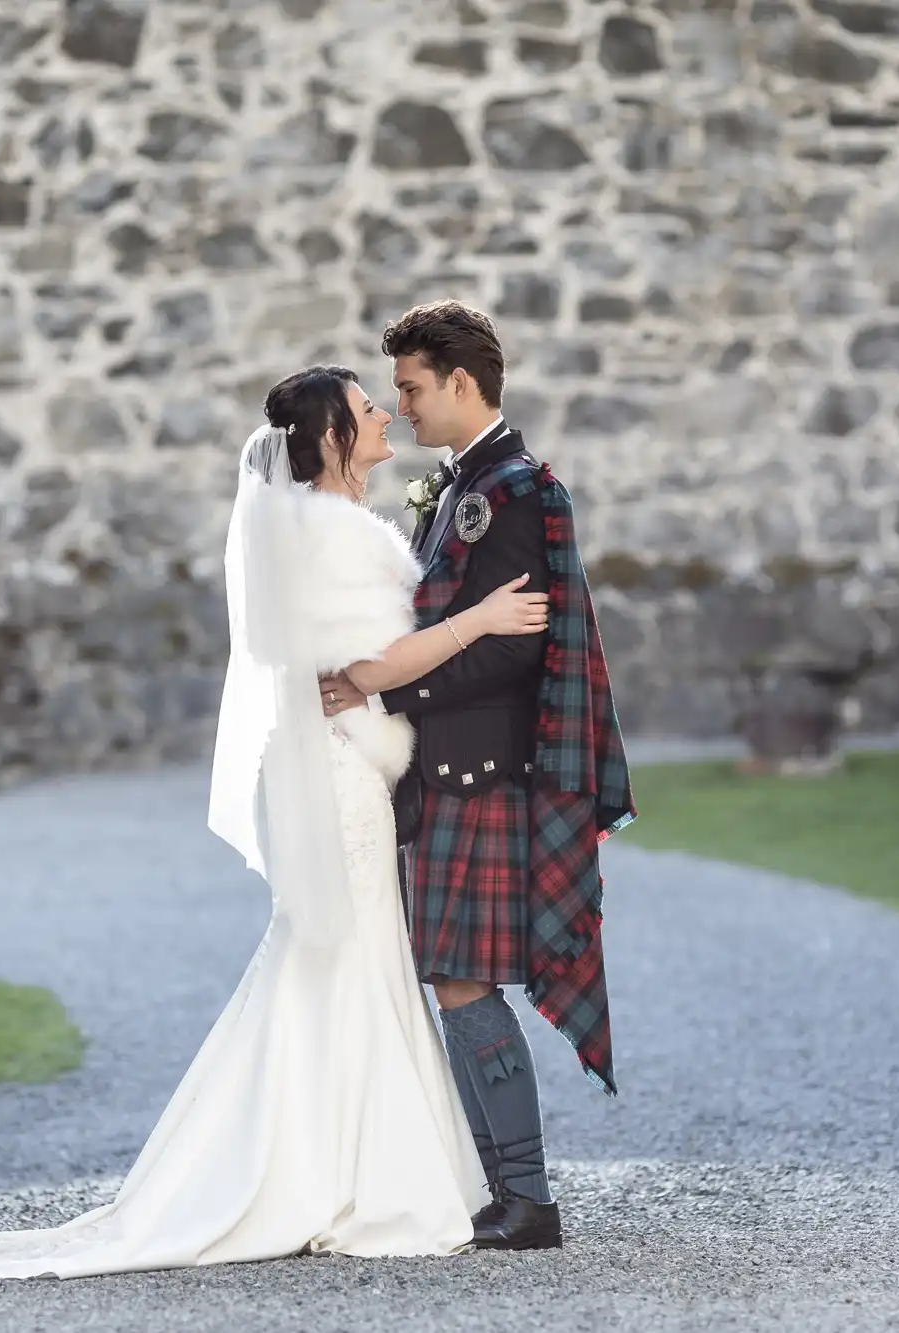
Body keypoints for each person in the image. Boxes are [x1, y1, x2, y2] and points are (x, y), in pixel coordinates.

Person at [0, 365, 549, 1283]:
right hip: (350, 780)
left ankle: (337, 1161)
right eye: (366, 408)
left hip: (352, 772)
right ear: (335, 440)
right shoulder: (333, 536)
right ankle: (352, 1176)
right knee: (350, 965)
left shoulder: (321, 528)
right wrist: (480, 620)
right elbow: (376, 662)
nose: (386, 414)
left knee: (339, 967)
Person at [320, 301, 636, 1253]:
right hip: (456, 768)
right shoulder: (471, 484)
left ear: (462, 382)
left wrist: (384, 686)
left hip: (479, 768)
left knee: (459, 978)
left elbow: (510, 652)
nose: (403, 406)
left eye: (413, 388)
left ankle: (527, 1199)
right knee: (451, 973)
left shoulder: (508, 489)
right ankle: (508, 1192)